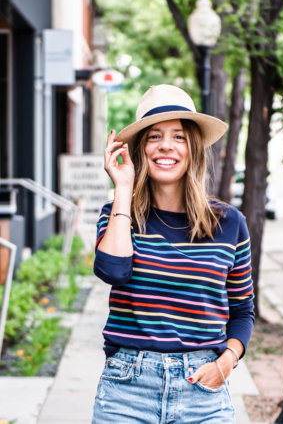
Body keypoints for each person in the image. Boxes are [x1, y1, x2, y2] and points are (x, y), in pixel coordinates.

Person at [91, 84, 254, 424]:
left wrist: (226, 362)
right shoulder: (117, 214)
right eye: (154, 137)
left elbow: (242, 310)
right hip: (126, 390)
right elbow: (113, 270)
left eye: (179, 137)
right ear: (141, 149)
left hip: (203, 392)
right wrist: (123, 188)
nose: (166, 145)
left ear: (193, 149)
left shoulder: (228, 224)